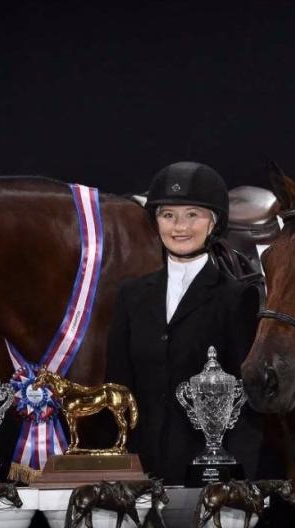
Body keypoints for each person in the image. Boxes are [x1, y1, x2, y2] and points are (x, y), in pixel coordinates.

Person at [105, 161, 262, 485]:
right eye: (168, 215)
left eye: (193, 214)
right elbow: (119, 389)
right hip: (141, 477)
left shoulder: (236, 298)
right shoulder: (131, 297)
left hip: (211, 476)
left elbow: (247, 403)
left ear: (214, 221)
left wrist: (239, 483)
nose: (180, 226)